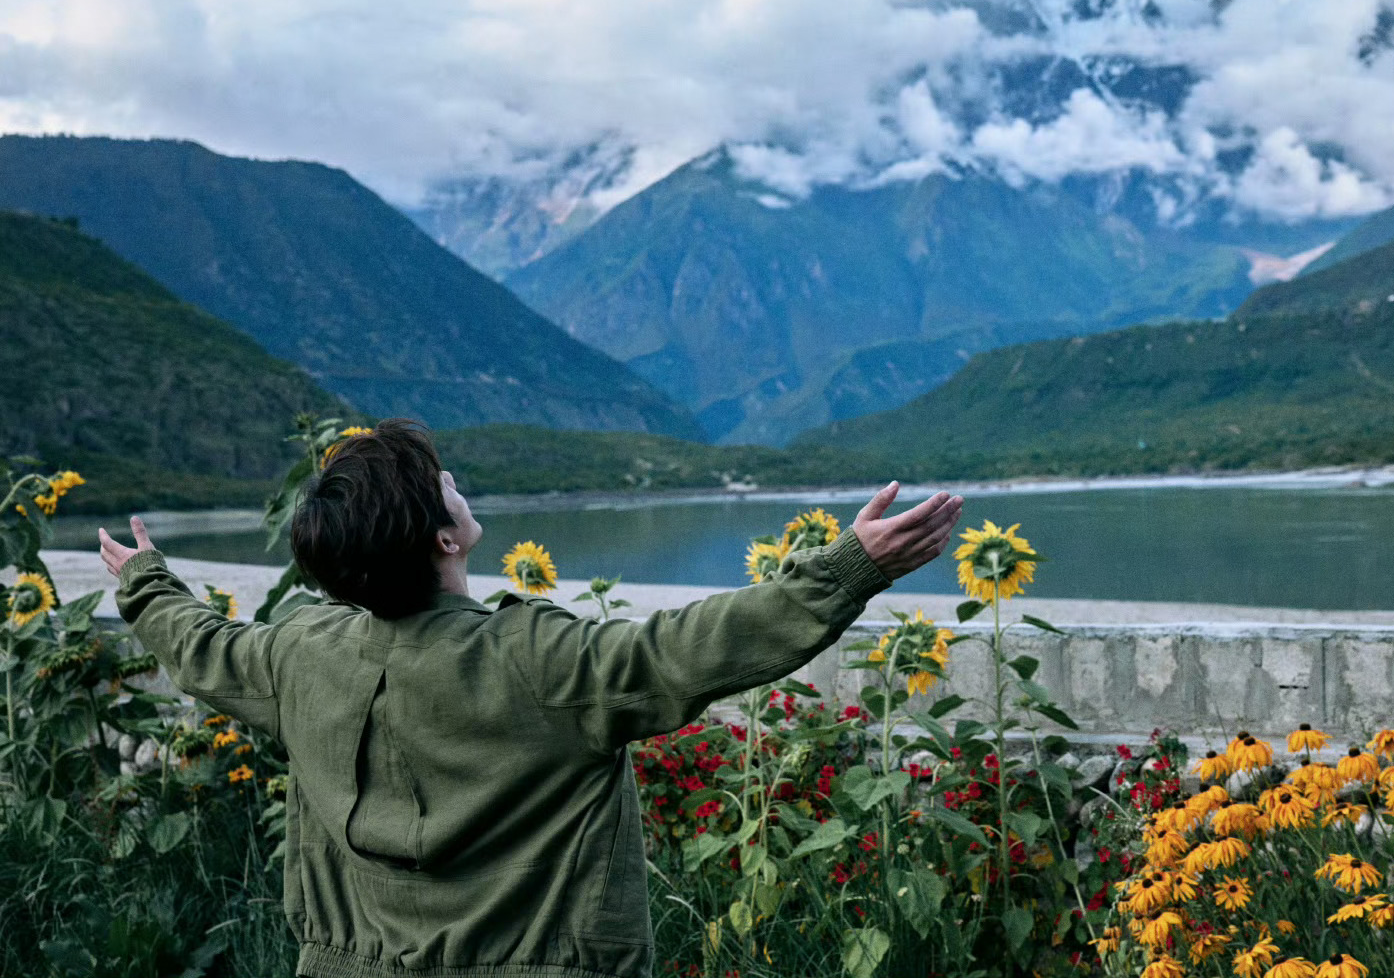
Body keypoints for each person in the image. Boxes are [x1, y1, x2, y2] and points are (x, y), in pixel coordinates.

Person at [99, 419, 963, 978]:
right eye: (441, 481)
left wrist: (143, 582)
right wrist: (851, 567)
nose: (454, 483)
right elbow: (692, 647)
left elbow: (200, 647)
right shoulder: (541, 660)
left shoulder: (298, 654)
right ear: (443, 536)